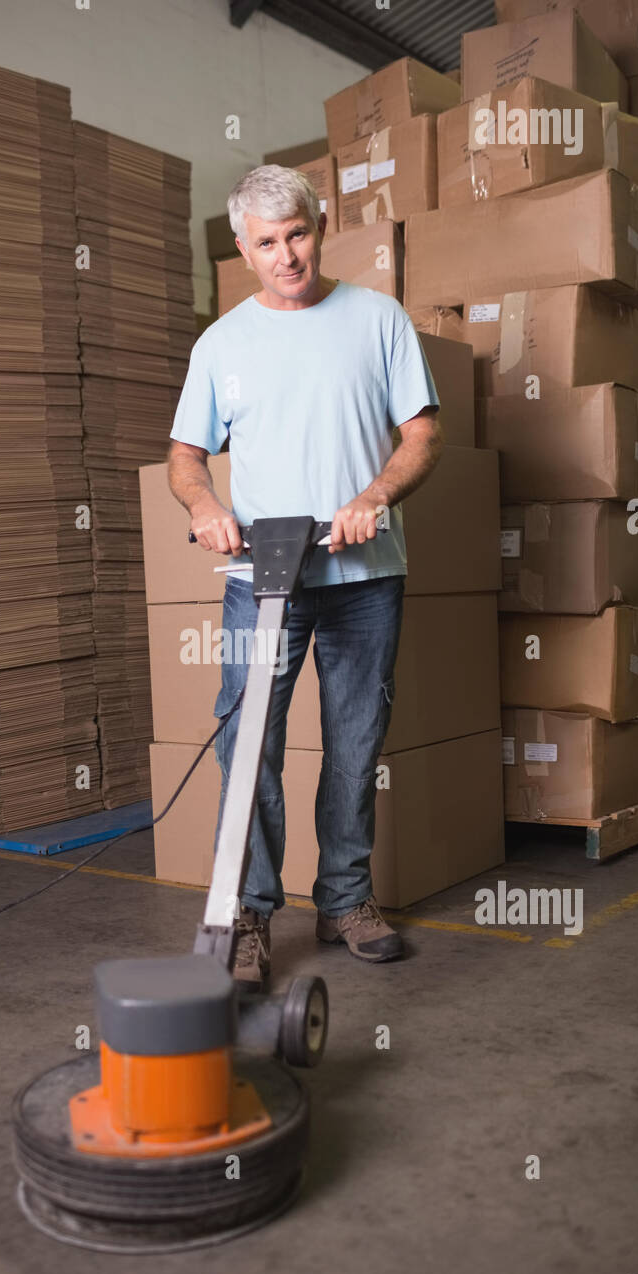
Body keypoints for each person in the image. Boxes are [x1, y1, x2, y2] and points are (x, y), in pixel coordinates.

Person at [166, 164, 443, 991]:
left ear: (319, 227)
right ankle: (249, 913)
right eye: (267, 243)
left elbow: (422, 436)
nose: (287, 255)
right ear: (244, 252)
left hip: (365, 575)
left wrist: (373, 497)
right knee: (251, 749)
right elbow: (184, 457)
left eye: (298, 234)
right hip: (263, 577)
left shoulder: (378, 318)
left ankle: (346, 901)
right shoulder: (220, 344)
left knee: (356, 743)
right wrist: (206, 507)